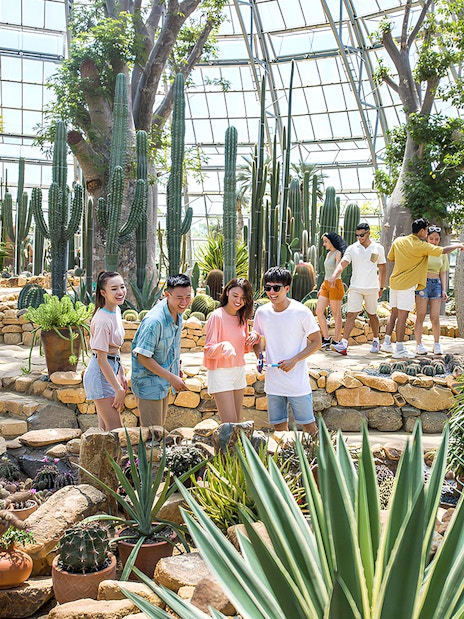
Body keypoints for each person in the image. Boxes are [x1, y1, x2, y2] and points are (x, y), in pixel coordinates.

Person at [381, 218, 464, 359]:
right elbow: (443, 250)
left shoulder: (398, 241)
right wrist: (458, 246)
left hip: (394, 283)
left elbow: (391, 258)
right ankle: (399, 348)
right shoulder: (421, 246)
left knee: (394, 313)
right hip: (406, 285)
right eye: (426, 230)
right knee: (402, 316)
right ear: (421, 231)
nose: (427, 233)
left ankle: (387, 343)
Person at [252, 266, 322, 435]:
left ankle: (320, 459)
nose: (271, 292)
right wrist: (259, 357)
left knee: (310, 427)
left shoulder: (301, 312)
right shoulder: (262, 313)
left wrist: (294, 360)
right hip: (273, 381)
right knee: (279, 429)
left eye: (276, 288)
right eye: (268, 288)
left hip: (297, 382)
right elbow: (257, 339)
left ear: (287, 288)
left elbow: (317, 342)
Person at [131, 274, 191, 427]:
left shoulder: (177, 314)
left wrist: (176, 369)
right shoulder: (154, 321)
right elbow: (142, 357)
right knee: (153, 439)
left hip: (163, 384)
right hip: (149, 386)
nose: (184, 302)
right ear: (167, 294)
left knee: (158, 435)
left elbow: (170, 347)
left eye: (188, 297)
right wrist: (171, 377)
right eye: (179, 298)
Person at [203, 277, 259, 423]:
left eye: (243, 298)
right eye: (235, 296)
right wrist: (223, 345)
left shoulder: (242, 318)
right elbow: (208, 349)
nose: (238, 301)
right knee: (230, 424)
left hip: (239, 371)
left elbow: (244, 348)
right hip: (221, 373)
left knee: (236, 423)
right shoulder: (217, 316)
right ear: (227, 292)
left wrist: (253, 337)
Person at [328, 223, 386, 355]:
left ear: (369, 233)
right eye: (357, 235)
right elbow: (343, 264)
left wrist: (381, 287)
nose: (359, 238)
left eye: (362, 235)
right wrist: (334, 275)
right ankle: (344, 344)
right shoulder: (352, 248)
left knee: (372, 314)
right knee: (351, 314)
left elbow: (382, 268)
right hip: (355, 287)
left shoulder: (378, 248)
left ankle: (376, 341)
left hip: (372, 288)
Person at [83, 271, 128, 431]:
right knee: (115, 430)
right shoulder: (103, 320)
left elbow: (114, 349)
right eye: (114, 289)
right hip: (101, 377)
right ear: (103, 293)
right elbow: (102, 359)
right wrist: (118, 389)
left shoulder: (115, 311)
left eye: (122, 287)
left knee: (105, 433)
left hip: (109, 371)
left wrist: (121, 373)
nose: (120, 292)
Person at [414, 226, 449, 355]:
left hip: (436, 284)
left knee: (435, 316)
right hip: (423, 283)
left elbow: (443, 272)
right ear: (427, 238)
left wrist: (444, 289)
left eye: (436, 239)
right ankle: (419, 344)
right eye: (431, 238)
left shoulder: (442, 252)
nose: (434, 241)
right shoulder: (424, 250)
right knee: (421, 315)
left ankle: (437, 343)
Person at [316, 232, 346, 348]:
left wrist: (333, 278)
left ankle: (337, 340)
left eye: (326, 241)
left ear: (331, 242)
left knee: (336, 314)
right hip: (326, 284)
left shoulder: (338, 253)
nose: (324, 244)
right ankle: (326, 338)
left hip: (336, 284)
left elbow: (339, 267)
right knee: (319, 311)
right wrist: (321, 287)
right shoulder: (328, 254)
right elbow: (326, 273)